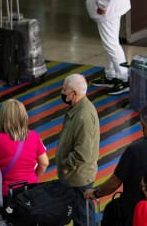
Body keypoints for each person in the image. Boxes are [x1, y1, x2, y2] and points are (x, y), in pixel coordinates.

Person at [58, 74, 100, 226]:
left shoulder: (84, 116)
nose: (62, 92)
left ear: (73, 94)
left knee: (84, 220)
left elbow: (83, 153)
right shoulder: (76, 109)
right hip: (74, 177)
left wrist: (65, 166)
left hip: (79, 179)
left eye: (64, 90)